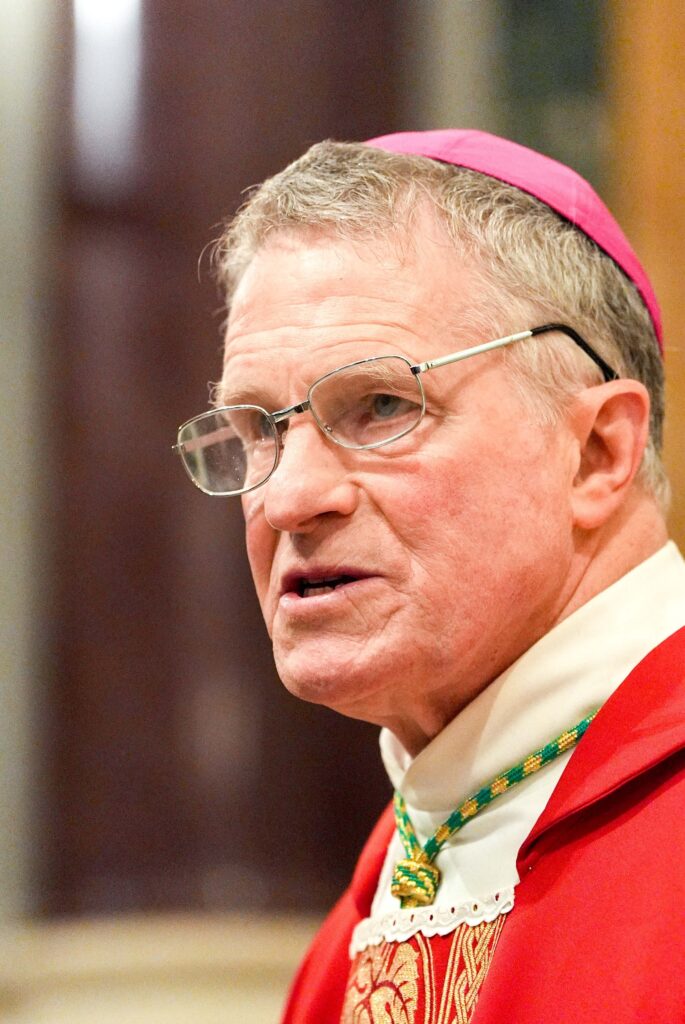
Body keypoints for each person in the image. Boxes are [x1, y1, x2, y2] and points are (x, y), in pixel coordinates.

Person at [174, 130, 685, 1023]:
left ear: (597, 452)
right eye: (258, 428)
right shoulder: (372, 914)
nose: (289, 497)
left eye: (379, 405)